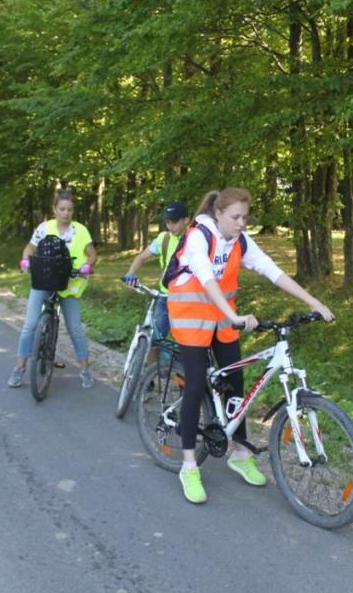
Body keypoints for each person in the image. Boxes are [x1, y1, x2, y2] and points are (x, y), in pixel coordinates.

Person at [166, 188, 334, 504]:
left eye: (245, 217)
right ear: (218, 214)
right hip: (191, 316)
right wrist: (233, 315)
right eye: (235, 217)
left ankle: (240, 453)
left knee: (236, 383)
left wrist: (315, 302)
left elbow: (273, 272)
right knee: (196, 382)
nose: (242, 223)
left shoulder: (240, 241)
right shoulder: (198, 236)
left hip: (223, 318)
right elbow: (205, 277)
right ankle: (189, 465)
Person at [8, 189, 97, 389]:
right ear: (54, 209)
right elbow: (30, 248)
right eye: (62, 209)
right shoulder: (44, 228)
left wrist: (87, 266)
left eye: (70, 210)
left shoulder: (81, 231)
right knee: (29, 325)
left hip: (70, 284)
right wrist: (25, 261)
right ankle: (19, 368)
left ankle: (84, 369)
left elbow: (92, 253)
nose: (66, 213)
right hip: (44, 280)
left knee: (75, 328)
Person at [122, 201, 190, 359]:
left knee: (186, 344)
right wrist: (130, 274)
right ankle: (150, 379)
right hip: (164, 298)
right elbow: (141, 257)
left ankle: (185, 379)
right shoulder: (163, 239)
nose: (170, 226)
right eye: (167, 222)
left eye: (175, 222)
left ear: (186, 220)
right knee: (154, 339)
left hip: (186, 300)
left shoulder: (194, 239)